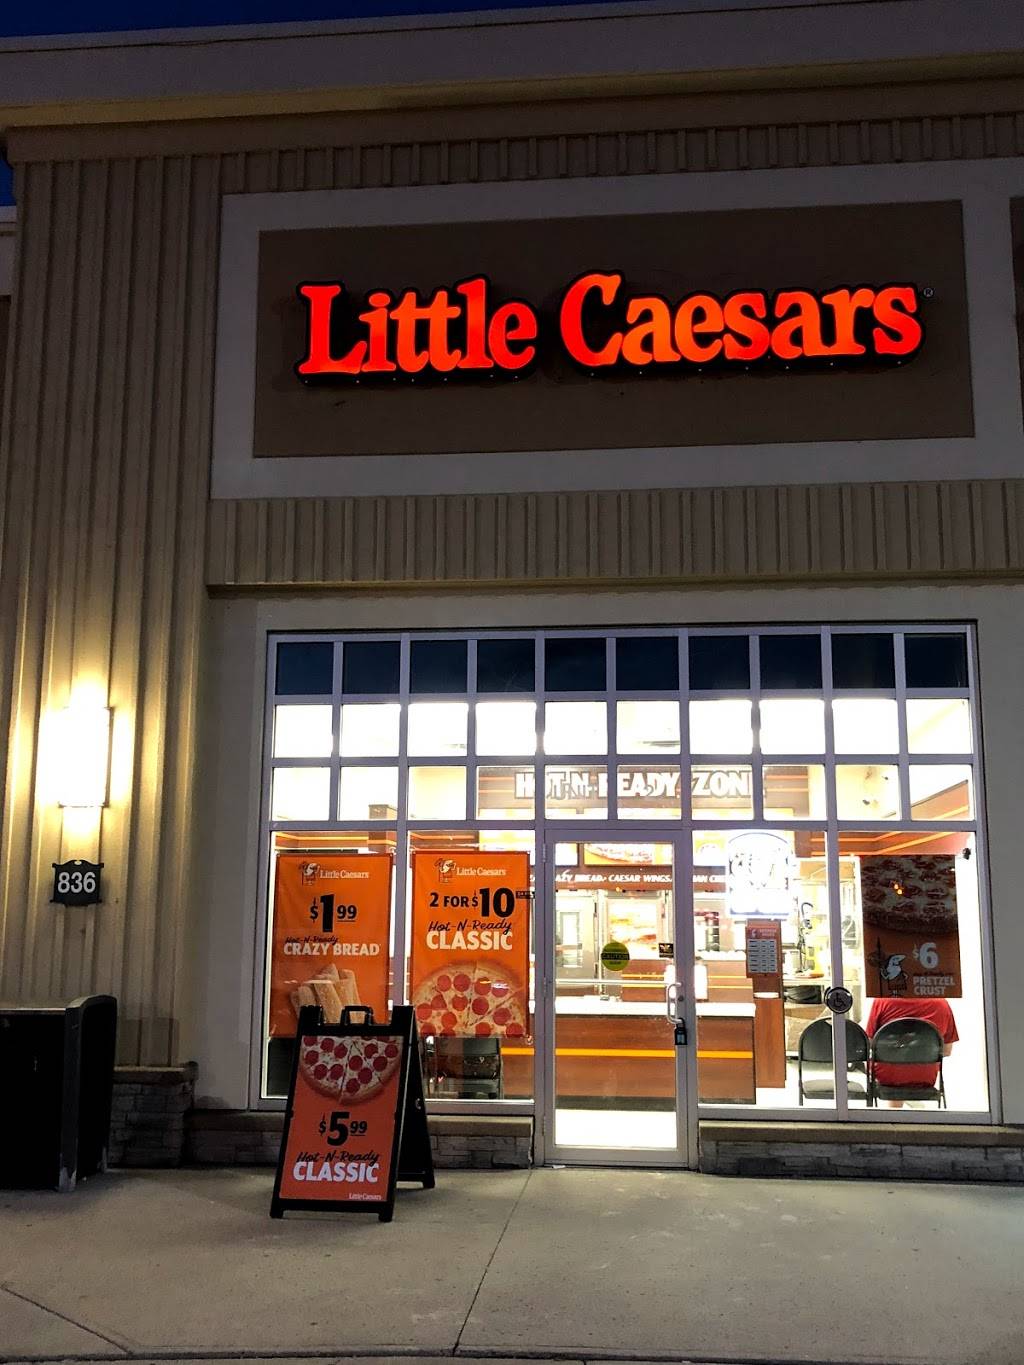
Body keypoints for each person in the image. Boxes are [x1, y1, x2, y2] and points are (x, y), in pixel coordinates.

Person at [865, 995, 958, 1107]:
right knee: (905, 1062)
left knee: (889, 1059)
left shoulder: (883, 1001)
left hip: (887, 1075)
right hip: (925, 1075)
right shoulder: (942, 1004)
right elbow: (946, 1050)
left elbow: (869, 1043)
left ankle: (894, 1112)